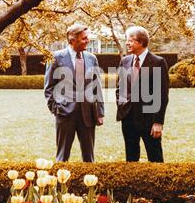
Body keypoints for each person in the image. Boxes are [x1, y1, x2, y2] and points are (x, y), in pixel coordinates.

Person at [44, 24, 104, 162]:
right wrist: (56, 108)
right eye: (84, 38)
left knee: (89, 158)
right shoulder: (56, 57)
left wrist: (100, 112)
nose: (87, 41)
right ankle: (60, 183)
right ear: (72, 40)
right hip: (64, 114)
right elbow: (49, 88)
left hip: (88, 115)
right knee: (62, 157)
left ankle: (90, 183)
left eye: (87, 38)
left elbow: (97, 88)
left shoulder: (91, 58)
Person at [116, 26, 169, 162]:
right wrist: (121, 105)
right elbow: (120, 88)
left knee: (155, 158)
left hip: (149, 120)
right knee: (131, 159)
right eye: (127, 40)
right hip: (128, 118)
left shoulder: (158, 62)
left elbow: (161, 95)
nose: (127, 43)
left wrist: (158, 122)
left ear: (141, 42)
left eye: (131, 40)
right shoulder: (125, 61)